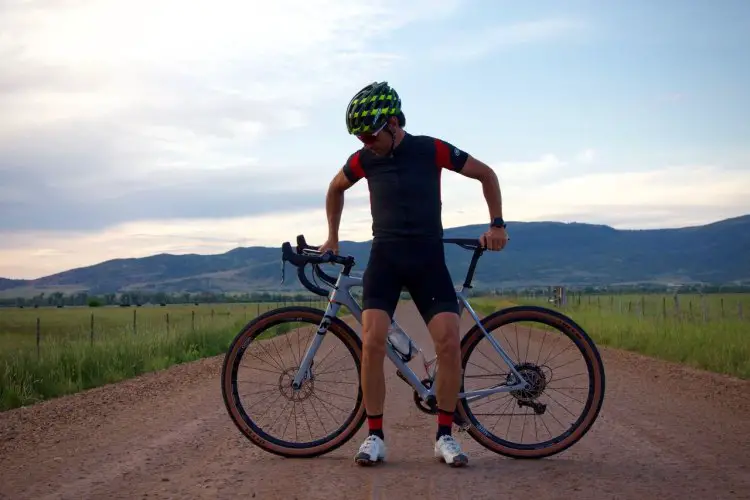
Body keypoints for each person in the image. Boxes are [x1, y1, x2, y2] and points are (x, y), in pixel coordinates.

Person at [318, 81, 508, 467]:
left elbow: (486, 174)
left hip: (427, 258)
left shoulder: (429, 149)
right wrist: (332, 237)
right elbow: (335, 188)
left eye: (370, 134)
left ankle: (444, 436)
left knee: (449, 343)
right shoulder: (364, 159)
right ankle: (374, 436)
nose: (366, 142)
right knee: (371, 342)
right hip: (385, 257)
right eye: (359, 136)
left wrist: (498, 225)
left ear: (391, 123)